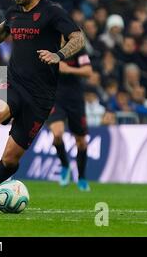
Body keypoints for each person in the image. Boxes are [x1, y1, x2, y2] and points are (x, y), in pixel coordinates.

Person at [0, 0, 85, 213]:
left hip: (41, 97)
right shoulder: (13, 12)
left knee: (10, 159)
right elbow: (2, 29)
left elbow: (78, 38)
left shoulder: (52, 12)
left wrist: (58, 55)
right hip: (14, 83)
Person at [47, 45, 93, 191]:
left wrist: (69, 69)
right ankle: (65, 165)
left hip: (75, 100)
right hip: (55, 99)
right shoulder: (48, 46)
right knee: (57, 134)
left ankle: (82, 178)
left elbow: (88, 71)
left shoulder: (78, 50)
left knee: (81, 142)